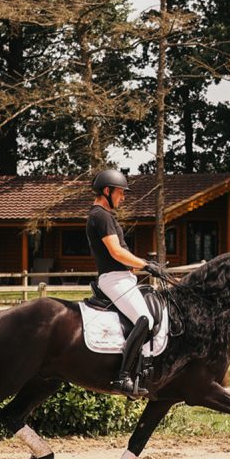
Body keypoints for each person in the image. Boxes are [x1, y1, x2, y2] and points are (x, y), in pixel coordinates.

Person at [87, 165, 169, 394]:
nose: (122, 197)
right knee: (145, 319)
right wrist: (146, 265)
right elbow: (116, 252)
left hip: (122, 278)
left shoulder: (105, 216)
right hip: (114, 279)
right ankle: (123, 377)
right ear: (106, 191)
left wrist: (144, 266)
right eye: (120, 192)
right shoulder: (100, 216)